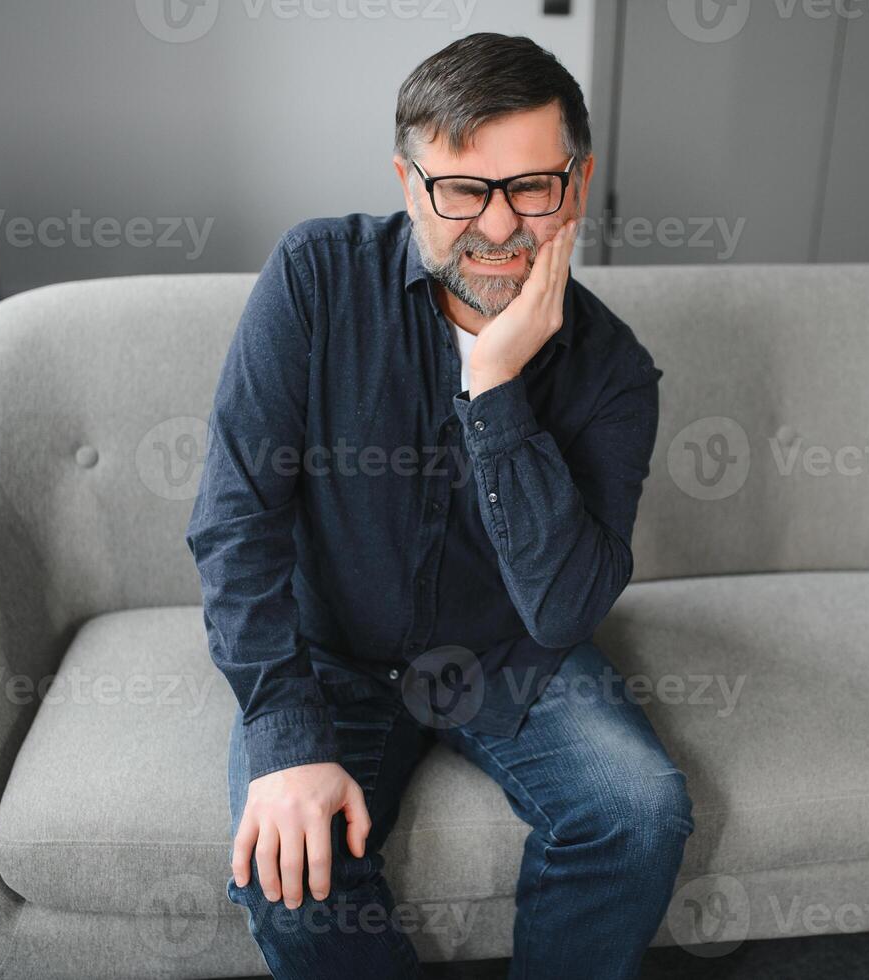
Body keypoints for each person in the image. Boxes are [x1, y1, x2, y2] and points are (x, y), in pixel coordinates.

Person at [185, 32, 693, 980]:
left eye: (531, 186)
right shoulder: (315, 278)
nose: (497, 227)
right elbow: (235, 517)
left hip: (510, 653)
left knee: (638, 810)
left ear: (575, 185)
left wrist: (494, 389)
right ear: (408, 183)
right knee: (288, 876)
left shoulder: (613, 372)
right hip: (330, 656)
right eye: (461, 190)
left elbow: (564, 610)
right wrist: (283, 735)